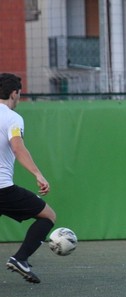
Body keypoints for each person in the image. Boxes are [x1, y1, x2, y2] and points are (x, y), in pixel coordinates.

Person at [1, 73, 57, 284]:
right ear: (15, 93)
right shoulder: (12, 118)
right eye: (19, 94)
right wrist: (38, 174)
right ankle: (20, 259)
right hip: (2, 189)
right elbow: (17, 147)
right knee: (48, 216)